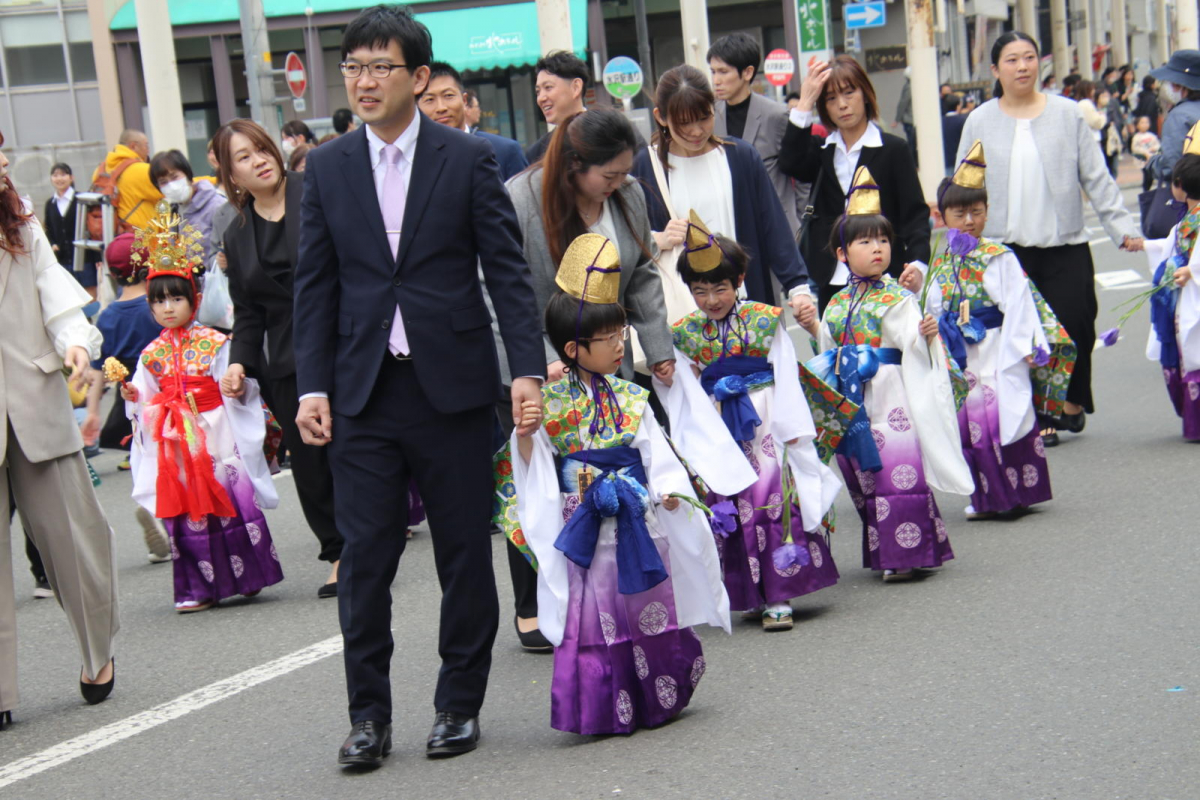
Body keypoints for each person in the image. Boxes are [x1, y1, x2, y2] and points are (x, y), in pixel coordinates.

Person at [292, 5, 545, 768]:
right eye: (354, 68)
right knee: (365, 560)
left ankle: (458, 704)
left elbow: (506, 271)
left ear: (419, 75)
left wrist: (525, 369)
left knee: (463, 553)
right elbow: (316, 285)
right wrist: (311, 387)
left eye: (382, 67)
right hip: (363, 393)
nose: (365, 82)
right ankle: (367, 716)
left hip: (454, 388)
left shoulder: (465, 159)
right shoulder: (328, 167)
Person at [496, 234, 730, 734]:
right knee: (595, 613)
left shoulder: (630, 395)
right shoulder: (549, 402)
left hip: (635, 514)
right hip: (582, 521)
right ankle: (605, 705)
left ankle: (657, 696)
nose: (621, 344)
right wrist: (526, 436)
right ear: (573, 349)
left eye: (620, 333)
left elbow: (654, 451)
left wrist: (668, 490)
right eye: (609, 338)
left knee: (647, 605)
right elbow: (534, 467)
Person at [657, 216, 841, 630]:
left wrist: (794, 430)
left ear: (739, 280)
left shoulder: (763, 319)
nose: (711, 300)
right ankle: (749, 593)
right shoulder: (685, 332)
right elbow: (685, 386)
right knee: (730, 504)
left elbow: (785, 371)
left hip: (766, 419)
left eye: (719, 288)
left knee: (772, 499)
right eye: (699, 290)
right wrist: (668, 377)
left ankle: (779, 593)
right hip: (718, 424)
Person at [957, 31, 1143, 439]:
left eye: (1029, 57)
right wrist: (962, 238)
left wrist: (1122, 229)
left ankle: (1070, 403)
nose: (1022, 66)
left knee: (1077, 323)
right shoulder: (980, 120)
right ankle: (1042, 416)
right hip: (1005, 249)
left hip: (1065, 242)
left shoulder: (1067, 113)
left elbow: (1096, 176)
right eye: (1012, 60)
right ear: (995, 70)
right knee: (1019, 334)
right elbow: (964, 184)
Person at [799, 166, 973, 582]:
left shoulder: (899, 297)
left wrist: (926, 336)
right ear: (842, 254)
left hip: (891, 393)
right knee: (864, 476)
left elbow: (914, 345)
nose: (877, 248)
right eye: (864, 241)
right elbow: (827, 350)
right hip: (853, 397)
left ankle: (906, 553)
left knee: (898, 471)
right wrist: (813, 327)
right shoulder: (836, 303)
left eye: (882, 240)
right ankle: (897, 550)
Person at [0, 131, 119, 730]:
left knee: (75, 538)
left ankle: (98, 653)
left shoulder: (19, 224)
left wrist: (75, 344)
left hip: (36, 398)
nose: (2, 161)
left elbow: (57, 296)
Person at [124, 202, 284, 613]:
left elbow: (237, 382)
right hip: (177, 440)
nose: (168, 308)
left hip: (217, 430)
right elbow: (144, 395)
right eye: (159, 302)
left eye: (176, 298)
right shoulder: (151, 354)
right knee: (189, 512)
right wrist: (133, 398)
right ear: (150, 307)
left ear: (193, 299)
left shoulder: (214, 342)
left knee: (232, 500)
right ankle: (197, 587)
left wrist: (235, 384)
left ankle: (248, 576)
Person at [212, 118, 343, 598]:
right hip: (287, 358)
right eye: (244, 157)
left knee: (355, 447)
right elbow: (248, 312)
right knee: (310, 462)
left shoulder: (318, 193)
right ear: (232, 175)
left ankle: (373, 537)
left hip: (344, 338)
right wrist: (238, 362)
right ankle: (339, 554)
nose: (259, 161)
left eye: (262, 149)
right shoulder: (236, 233)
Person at [925, 143, 1073, 519]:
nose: (969, 220)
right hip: (961, 354)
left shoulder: (999, 256)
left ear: (987, 211)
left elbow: (1020, 305)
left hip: (997, 348)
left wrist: (1025, 346)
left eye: (976, 211)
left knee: (1006, 418)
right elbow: (933, 308)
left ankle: (1015, 495)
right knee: (971, 425)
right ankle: (985, 498)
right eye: (960, 213)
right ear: (942, 216)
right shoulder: (940, 263)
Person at [632, 65, 816, 323]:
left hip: (746, 306)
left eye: (704, 117)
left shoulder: (740, 157)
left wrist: (798, 288)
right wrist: (659, 239)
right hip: (683, 316)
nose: (697, 130)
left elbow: (773, 226)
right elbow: (627, 239)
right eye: (684, 122)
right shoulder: (645, 166)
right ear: (661, 117)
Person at [778, 55, 931, 310]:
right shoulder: (822, 151)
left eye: (849, 93)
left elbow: (915, 216)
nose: (842, 105)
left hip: (886, 275)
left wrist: (917, 264)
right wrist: (804, 102)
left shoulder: (893, 149)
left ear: (865, 94)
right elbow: (789, 162)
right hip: (833, 277)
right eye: (830, 98)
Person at [708, 32, 799, 236]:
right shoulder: (710, 116)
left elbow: (800, 172)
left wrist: (800, 221)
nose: (716, 80)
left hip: (774, 226)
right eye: (713, 72)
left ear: (747, 72)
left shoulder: (776, 115)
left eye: (723, 72)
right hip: (729, 226)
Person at [1142, 133, 1200, 441]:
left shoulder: (1189, 222)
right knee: (1190, 352)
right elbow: (1167, 248)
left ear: (1180, 186)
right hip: (1187, 293)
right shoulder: (1184, 223)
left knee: (1192, 354)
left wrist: (1191, 270)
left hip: (1191, 292)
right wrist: (1144, 245)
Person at [420, 62, 528, 180]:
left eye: (448, 95)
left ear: (464, 100)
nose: (441, 108)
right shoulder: (415, 159)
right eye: (429, 99)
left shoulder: (504, 151)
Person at [149, 149, 227, 266]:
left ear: (187, 175)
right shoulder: (175, 211)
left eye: (174, 177)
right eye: (163, 182)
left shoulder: (217, 206)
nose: (171, 185)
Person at [43, 162, 100, 297]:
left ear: (71, 177)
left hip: (85, 258)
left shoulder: (82, 200)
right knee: (69, 295)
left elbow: (93, 229)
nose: (59, 178)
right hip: (62, 259)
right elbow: (48, 229)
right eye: (55, 175)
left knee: (89, 294)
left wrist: (98, 257)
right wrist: (52, 244)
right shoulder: (50, 204)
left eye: (63, 174)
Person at [526, 51, 590, 164]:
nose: (541, 98)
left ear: (576, 87)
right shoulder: (537, 153)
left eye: (548, 87)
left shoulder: (607, 134)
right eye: (538, 92)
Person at [92, 128, 163, 230]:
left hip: (111, 233)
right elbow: (171, 188)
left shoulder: (99, 170)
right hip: (140, 234)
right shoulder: (142, 170)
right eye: (146, 145)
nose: (148, 150)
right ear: (133, 146)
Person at [1150, 50, 1200, 183]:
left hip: (1191, 191)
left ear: (1181, 85)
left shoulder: (1179, 116)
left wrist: (1153, 162)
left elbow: (1172, 167)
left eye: (1172, 84)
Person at [1132, 115, 1162, 191]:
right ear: (1137, 125)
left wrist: (1154, 148)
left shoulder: (1152, 136)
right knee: (1147, 175)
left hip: (1152, 159)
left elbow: (1158, 145)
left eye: (1146, 122)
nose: (1145, 124)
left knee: (1151, 176)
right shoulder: (1136, 137)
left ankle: (1148, 189)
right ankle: (1145, 190)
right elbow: (1135, 148)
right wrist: (1144, 152)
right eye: (1142, 123)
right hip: (1142, 160)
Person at [893, 68, 917, 162]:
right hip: (910, 119)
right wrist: (897, 119)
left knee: (913, 143)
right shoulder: (910, 87)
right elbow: (903, 103)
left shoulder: (909, 86)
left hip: (909, 119)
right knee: (912, 144)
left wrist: (897, 119)